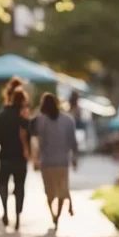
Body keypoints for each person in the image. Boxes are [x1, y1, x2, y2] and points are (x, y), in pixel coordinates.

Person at [32, 92, 78, 229]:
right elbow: (73, 142)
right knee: (62, 190)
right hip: (63, 162)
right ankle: (57, 214)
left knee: (49, 192)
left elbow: (35, 141)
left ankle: (53, 215)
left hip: (47, 163)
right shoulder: (68, 120)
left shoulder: (40, 120)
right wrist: (75, 157)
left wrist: (35, 159)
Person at [0, 85, 30, 229]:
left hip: (5, 156)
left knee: (2, 184)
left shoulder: (2, 115)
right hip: (20, 157)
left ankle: (5, 210)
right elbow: (30, 135)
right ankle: (18, 217)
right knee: (20, 187)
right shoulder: (23, 117)